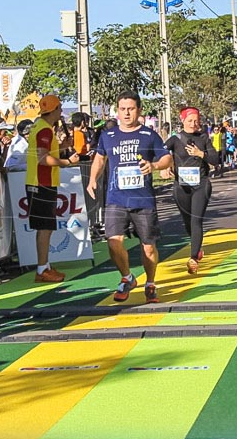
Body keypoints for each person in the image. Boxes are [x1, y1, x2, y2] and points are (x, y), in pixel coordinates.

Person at [87, 91, 173, 303]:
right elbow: (100, 158)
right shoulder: (108, 136)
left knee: (148, 246)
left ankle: (150, 283)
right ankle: (127, 278)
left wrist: (153, 165)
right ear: (117, 110)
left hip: (142, 199)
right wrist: (92, 179)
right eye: (122, 109)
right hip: (116, 198)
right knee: (113, 242)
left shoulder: (148, 135)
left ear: (139, 110)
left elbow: (166, 158)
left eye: (131, 109)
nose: (126, 113)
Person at [27, 95, 81, 283]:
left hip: (38, 182)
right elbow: (43, 158)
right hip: (42, 183)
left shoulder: (40, 127)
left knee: (45, 227)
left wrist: (61, 147)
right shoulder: (44, 130)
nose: (61, 112)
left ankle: (45, 266)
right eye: (60, 108)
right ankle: (42, 269)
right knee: (45, 228)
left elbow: (42, 153)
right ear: (56, 109)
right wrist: (67, 161)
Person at [163, 106, 218, 274]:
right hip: (181, 186)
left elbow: (215, 159)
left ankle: (193, 257)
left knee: (196, 220)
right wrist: (164, 166)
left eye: (196, 120)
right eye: (190, 120)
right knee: (187, 221)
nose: (194, 124)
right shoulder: (175, 139)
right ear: (182, 121)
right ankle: (197, 247)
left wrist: (200, 154)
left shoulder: (204, 138)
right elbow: (161, 154)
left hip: (201, 184)